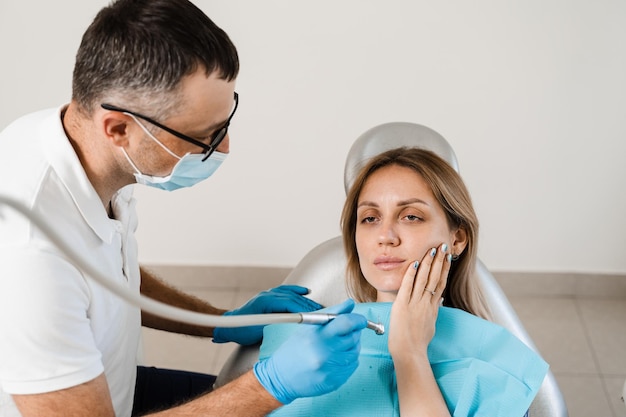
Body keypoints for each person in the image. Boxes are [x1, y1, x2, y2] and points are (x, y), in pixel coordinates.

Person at [0, 1, 368, 416]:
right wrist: (272, 386)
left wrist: (222, 321)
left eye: (224, 125)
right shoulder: (31, 258)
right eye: (204, 136)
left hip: (113, 380)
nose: (224, 148)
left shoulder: (77, 144)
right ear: (119, 128)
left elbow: (103, 270)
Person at [258, 147, 548, 416]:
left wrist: (410, 351)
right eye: (370, 218)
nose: (385, 236)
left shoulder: (492, 362)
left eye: (410, 216)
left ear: (457, 238)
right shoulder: (296, 342)